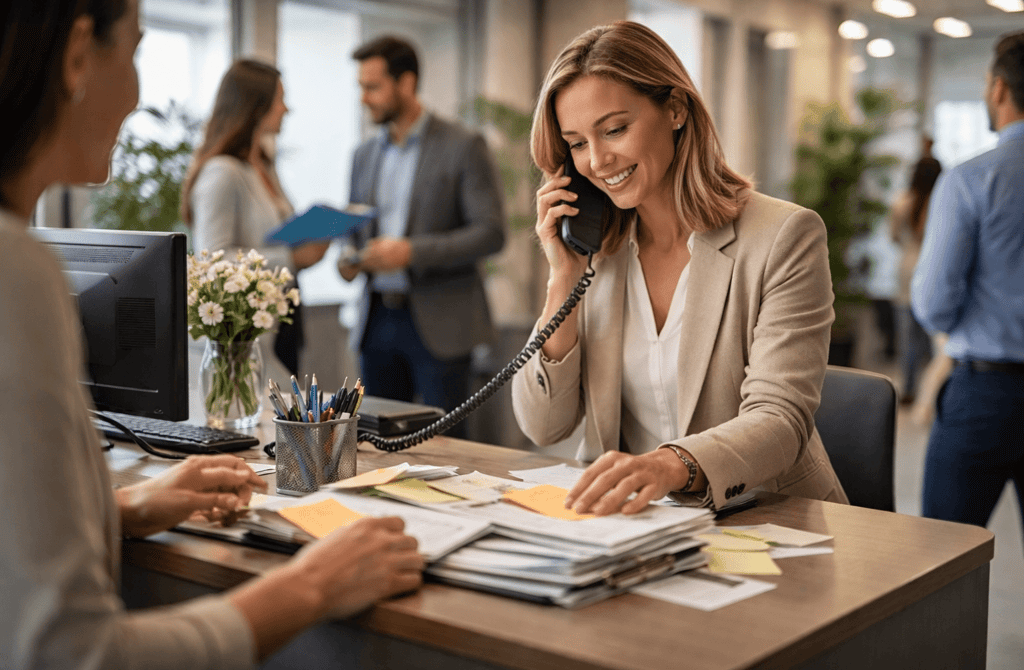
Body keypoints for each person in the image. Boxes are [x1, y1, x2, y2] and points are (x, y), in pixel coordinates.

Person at [0, 2, 423, 668]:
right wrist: (312, 585)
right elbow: (71, 655)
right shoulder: (16, 274)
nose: (136, 93)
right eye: (136, 50)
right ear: (79, 54)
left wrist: (123, 508)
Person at [511, 21, 848, 515]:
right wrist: (562, 279)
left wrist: (670, 466)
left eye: (614, 130)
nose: (598, 161)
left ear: (675, 109)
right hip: (638, 523)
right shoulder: (596, 255)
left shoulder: (783, 236)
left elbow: (780, 418)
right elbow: (543, 426)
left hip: (767, 517)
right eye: (577, 143)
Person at [337, 36, 505, 436]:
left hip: (441, 322)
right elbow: (354, 230)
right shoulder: (363, 155)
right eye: (361, 87)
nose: (364, 98)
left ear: (407, 83)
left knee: (445, 445)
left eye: (373, 87)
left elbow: (490, 233)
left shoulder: (463, 145)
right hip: (376, 319)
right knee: (374, 441)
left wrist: (411, 252)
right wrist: (348, 257)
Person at [912, 31, 1024, 534]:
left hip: (986, 393)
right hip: (986, 389)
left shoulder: (971, 180)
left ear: (999, 89)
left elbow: (934, 303)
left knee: (944, 553)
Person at [181, 59, 328, 376]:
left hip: (282, 313)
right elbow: (212, 263)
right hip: (247, 333)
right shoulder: (222, 172)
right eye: (279, 100)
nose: (286, 109)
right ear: (256, 105)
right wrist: (291, 259)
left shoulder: (262, 164)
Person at [889, 148, 942, 404]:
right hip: (934, 268)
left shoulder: (902, 202)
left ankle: (908, 389)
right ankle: (934, 390)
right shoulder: (941, 202)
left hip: (907, 268)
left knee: (907, 335)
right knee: (935, 337)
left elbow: (893, 236)